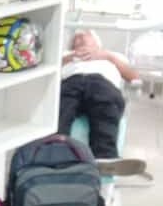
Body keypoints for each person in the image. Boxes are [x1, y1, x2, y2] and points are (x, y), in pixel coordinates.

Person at [59, 28, 138, 160]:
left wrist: (106, 56)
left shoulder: (112, 55)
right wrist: (71, 57)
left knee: (105, 107)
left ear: (97, 42)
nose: (79, 39)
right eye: (75, 38)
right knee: (60, 107)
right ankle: (55, 154)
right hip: (70, 82)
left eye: (85, 35)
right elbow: (51, 69)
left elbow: (133, 76)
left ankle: (105, 159)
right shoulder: (66, 55)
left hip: (101, 84)